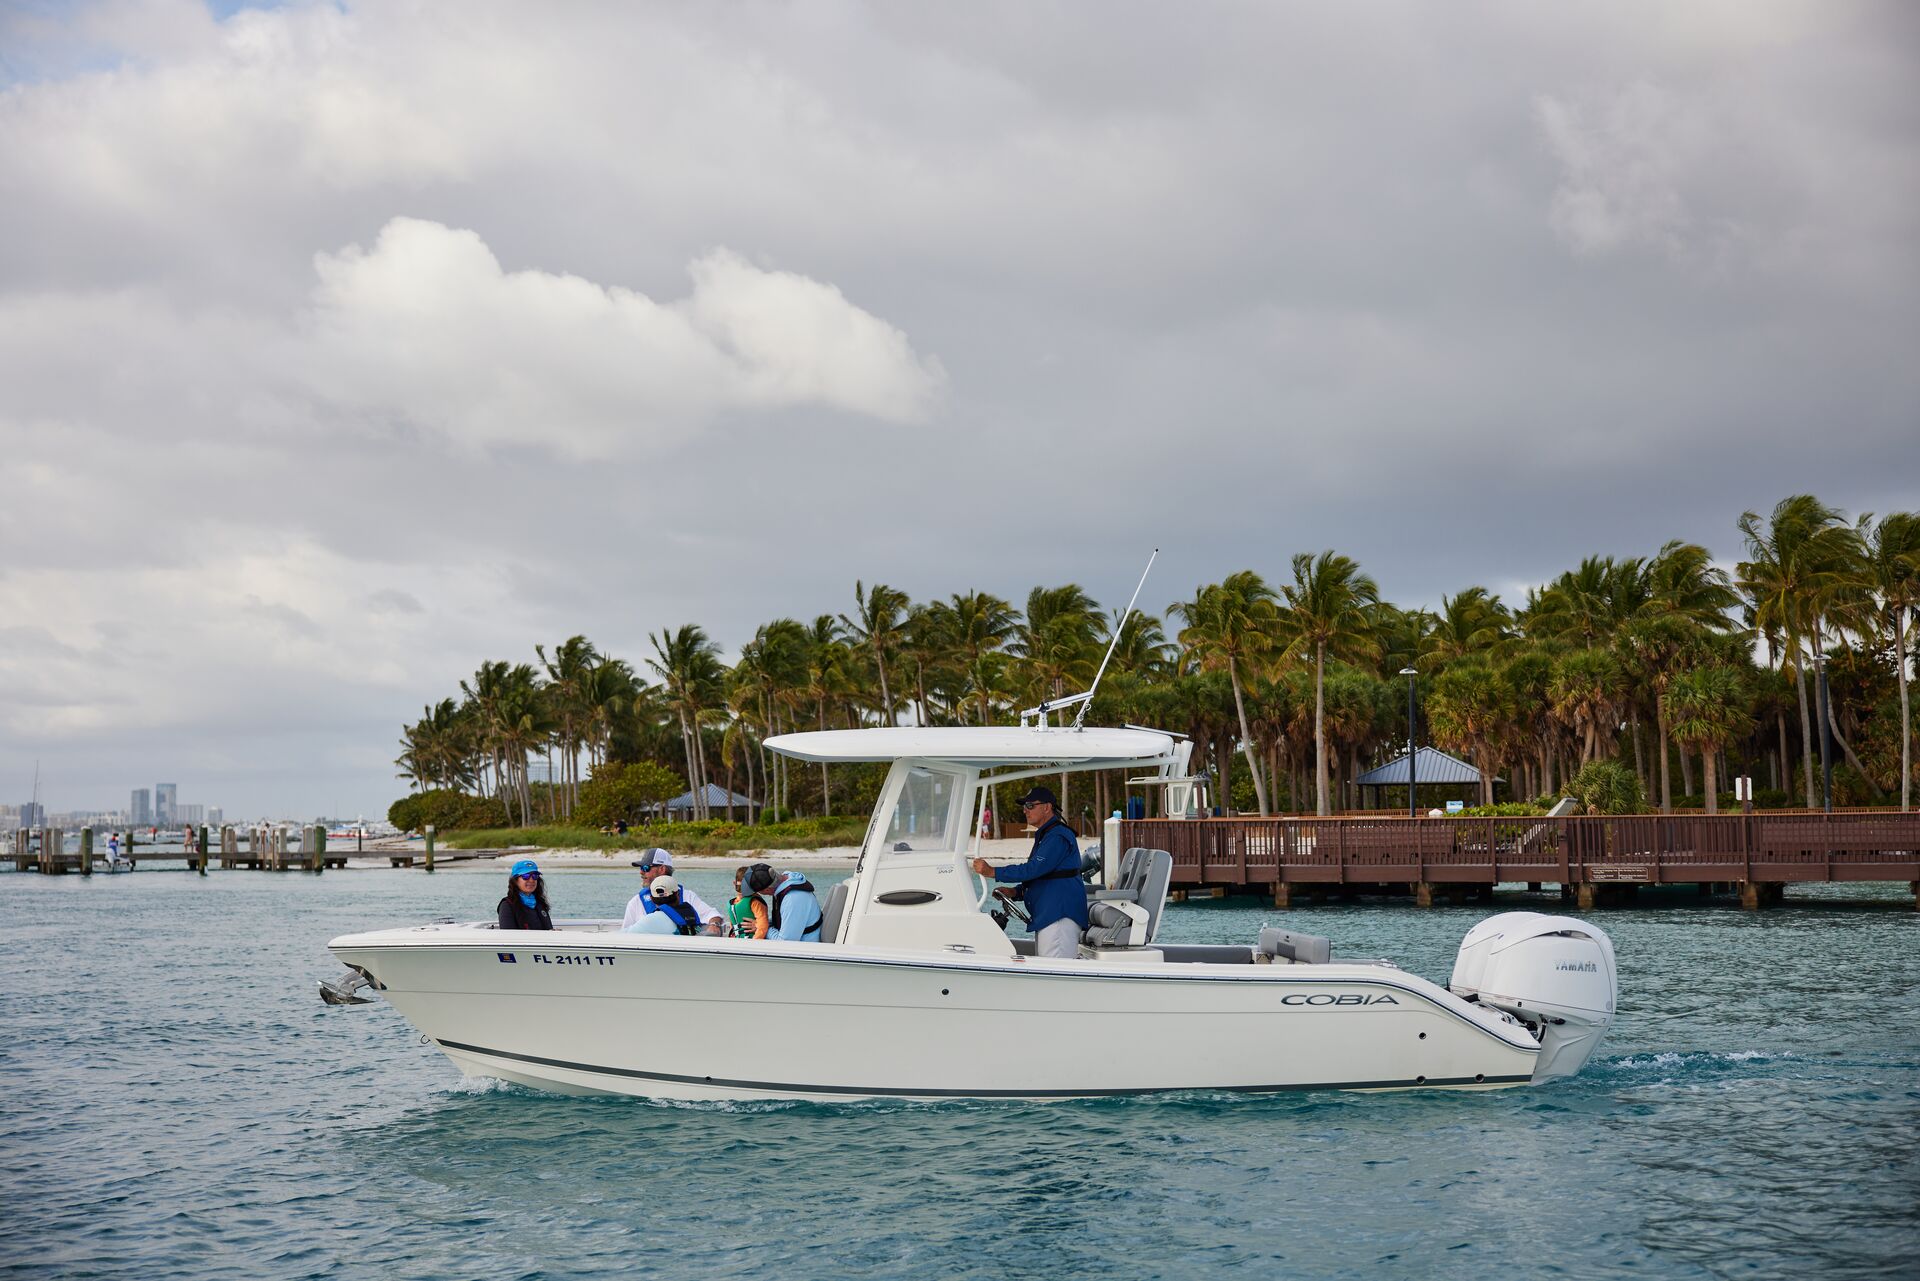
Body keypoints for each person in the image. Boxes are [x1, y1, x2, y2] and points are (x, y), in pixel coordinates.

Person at [970, 785, 1088, 959]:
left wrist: (993, 871)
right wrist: (1016, 892)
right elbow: (1044, 875)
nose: (1025, 810)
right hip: (1050, 916)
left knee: (1054, 976)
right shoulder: (1048, 834)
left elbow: (1033, 870)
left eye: (1030, 805)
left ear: (1047, 807)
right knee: (1048, 972)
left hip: (1059, 917)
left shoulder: (1057, 837)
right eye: (1024, 806)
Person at [621, 848, 723, 934]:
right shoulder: (636, 902)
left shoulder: (688, 896)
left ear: (662, 869)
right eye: (641, 868)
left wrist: (714, 925)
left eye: (646, 868)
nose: (641, 872)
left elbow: (712, 915)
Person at [743, 863, 824, 942]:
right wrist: (762, 922)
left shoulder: (793, 899)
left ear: (767, 890)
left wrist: (762, 928)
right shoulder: (786, 879)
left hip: (806, 949)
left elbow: (785, 942)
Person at [626, 875, 703, 935]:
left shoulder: (652, 920)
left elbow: (624, 935)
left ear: (651, 899)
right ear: (677, 895)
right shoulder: (691, 914)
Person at [497, 859, 554, 931]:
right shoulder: (507, 905)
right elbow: (508, 938)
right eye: (526, 876)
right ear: (515, 880)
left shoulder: (540, 903)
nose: (531, 880)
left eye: (535, 876)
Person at [727, 864, 770, 939]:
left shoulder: (755, 902)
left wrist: (753, 943)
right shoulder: (732, 904)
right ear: (734, 883)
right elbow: (733, 924)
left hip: (750, 941)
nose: (743, 892)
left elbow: (762, 926)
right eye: (740, 888)